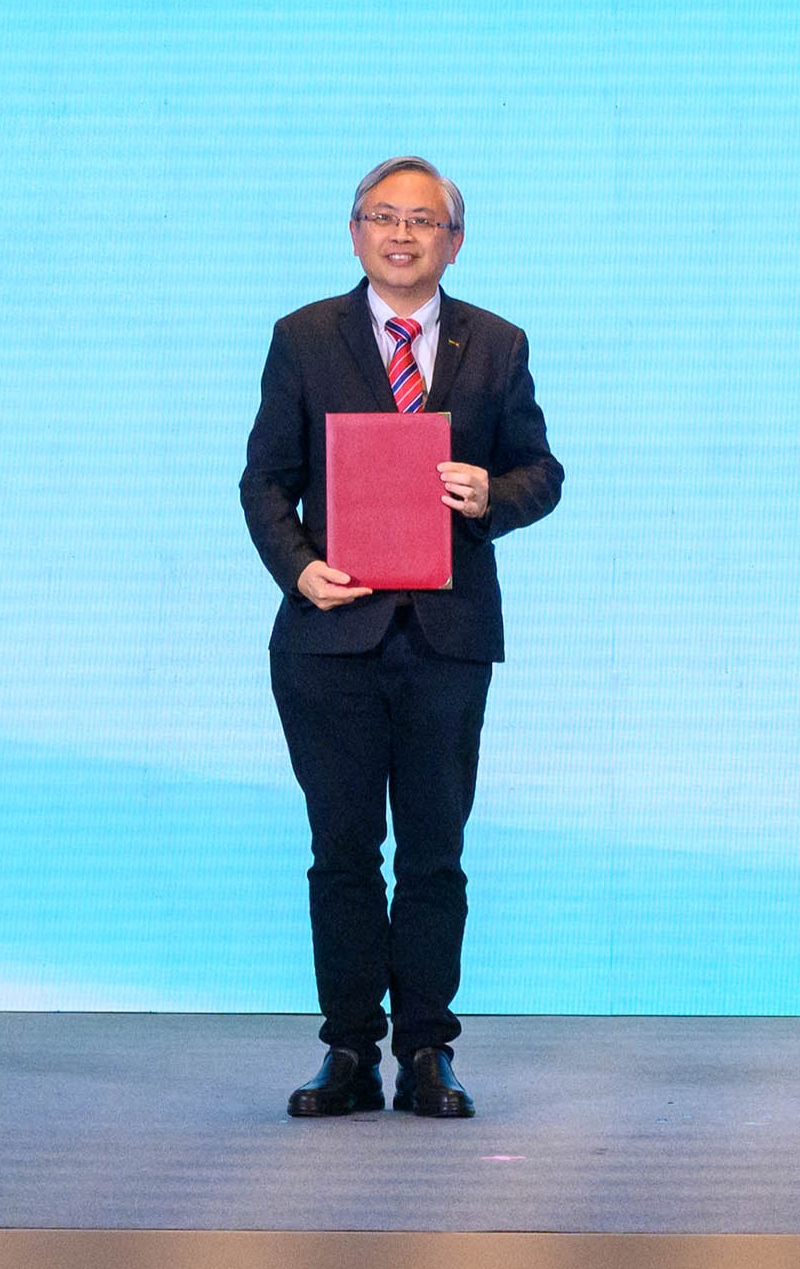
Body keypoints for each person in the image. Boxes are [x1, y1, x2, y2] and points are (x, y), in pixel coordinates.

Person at [239, 156, 561, 1120]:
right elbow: (264, 479)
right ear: (355, 233)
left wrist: (491, 493)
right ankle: (348, 1050)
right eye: (384, 217)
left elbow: (543, 472)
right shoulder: (304, 337)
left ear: (454, 241)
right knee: (341, 850)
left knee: (433, 853)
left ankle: (427, 1049)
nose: (402, 234)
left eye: (423, 220)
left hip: (445, 637)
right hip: (329, 635)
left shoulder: (495, 343)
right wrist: (301, 567)